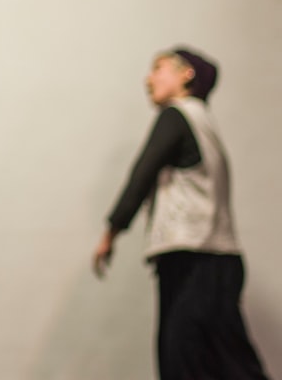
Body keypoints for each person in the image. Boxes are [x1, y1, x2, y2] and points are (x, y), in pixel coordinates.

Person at [92, 47, 271, 380]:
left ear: (185, 73)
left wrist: (111, 232)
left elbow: (142, 173)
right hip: (219, 260)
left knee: (186, 362)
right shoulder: (205, 124)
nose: (149, 79)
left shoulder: (176, 116)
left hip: (193, 260)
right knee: (222, 360)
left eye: (158, 69)